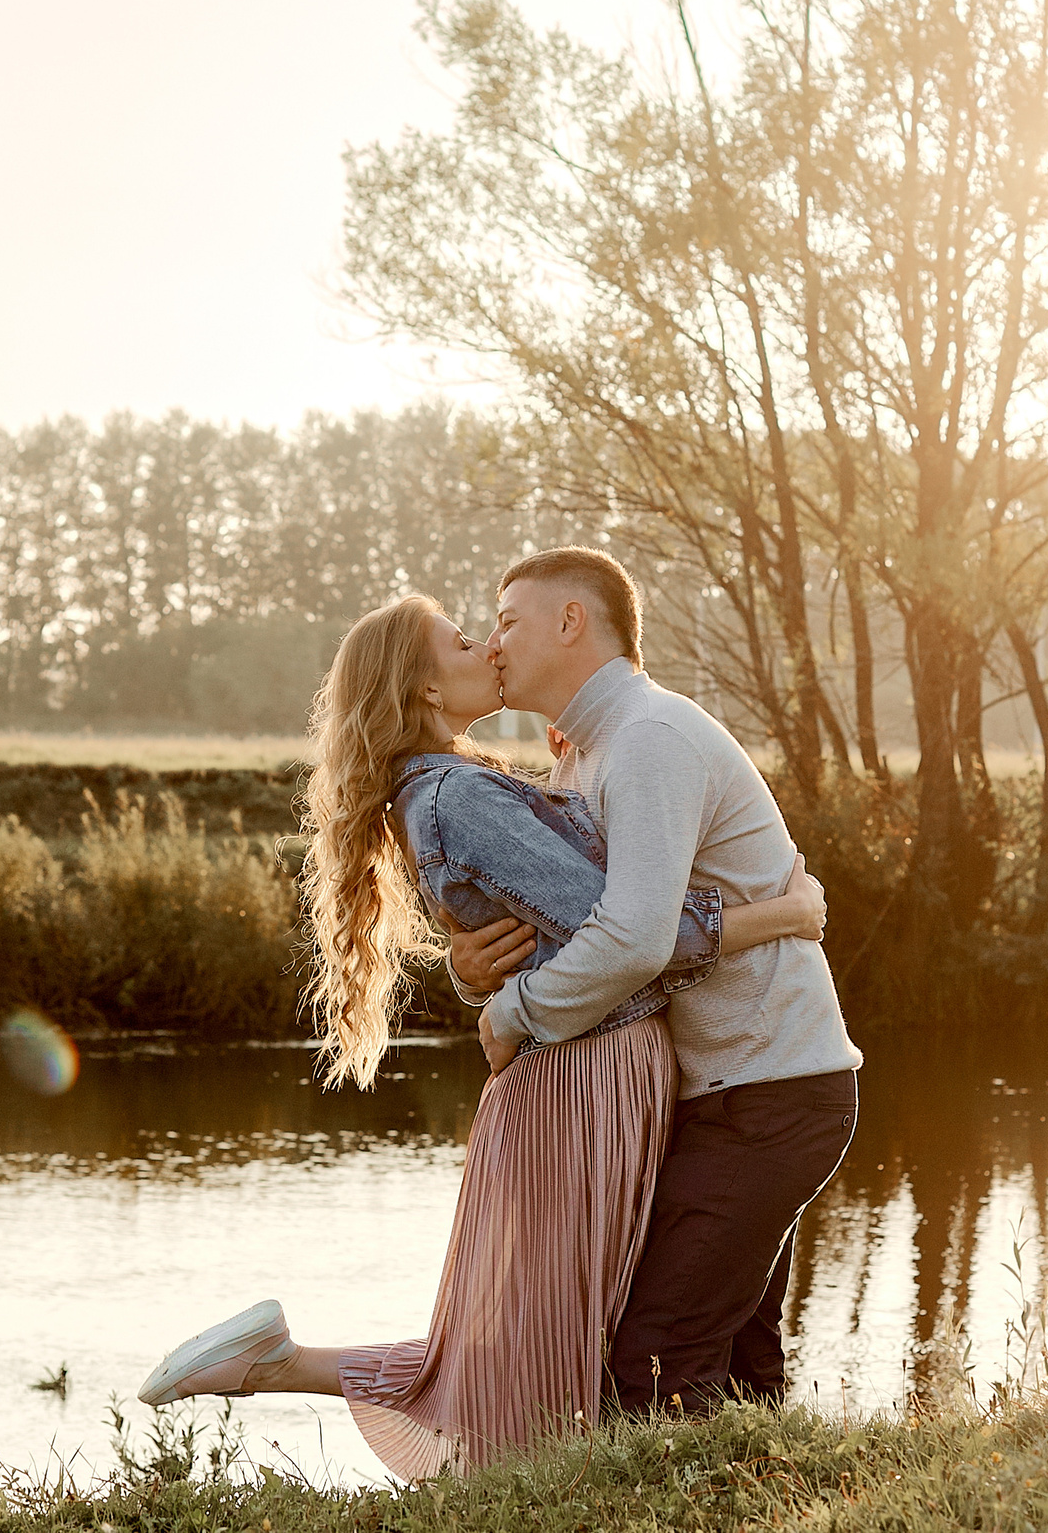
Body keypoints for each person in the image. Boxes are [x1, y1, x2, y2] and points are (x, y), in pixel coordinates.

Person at [133, 594, 827, 1478]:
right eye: (465, 639)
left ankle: (283, 1363)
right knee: (534, 1350)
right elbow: (621, 931)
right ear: (425, 686)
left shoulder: (467, 783)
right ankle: (287, 1368)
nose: (489, 644)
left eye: (497, 626)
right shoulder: (458, 794)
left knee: (539, 1334)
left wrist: (477, 973)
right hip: (584, 1074)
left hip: (590, 1070)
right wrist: (778, 913)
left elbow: (558, 919)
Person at [456, 547, 863, 1415]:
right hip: (721, 1094)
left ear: (572, 621)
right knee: (734, 1370)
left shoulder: (645, 738)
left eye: (507, 621)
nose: (494, 643)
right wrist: (470, 968)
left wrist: (515, 1014)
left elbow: (634, 938)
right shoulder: (588, 753)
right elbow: (574, 926)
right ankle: (778, 1503)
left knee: (654, 1371)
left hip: (767, 1091)